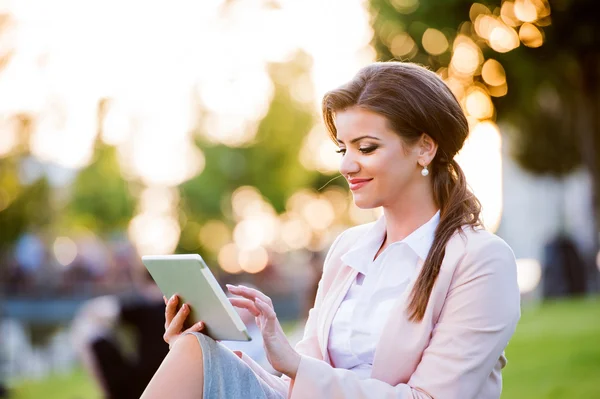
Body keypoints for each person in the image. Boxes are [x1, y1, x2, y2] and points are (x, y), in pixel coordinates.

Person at [141, 61, 521, 399]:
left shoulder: (480, 259)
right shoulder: (348, 250)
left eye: (367, 148)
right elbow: (300, 387)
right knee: (194, 352)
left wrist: (295, 365)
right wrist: (208, 359)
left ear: (425, 148)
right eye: (343, 149)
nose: (346, 166)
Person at [71, 271, 169, 399]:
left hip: (142, 384)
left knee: (87, 332)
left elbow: (94, 311)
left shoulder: (143, 306)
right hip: (164, 377)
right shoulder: (176, 306)